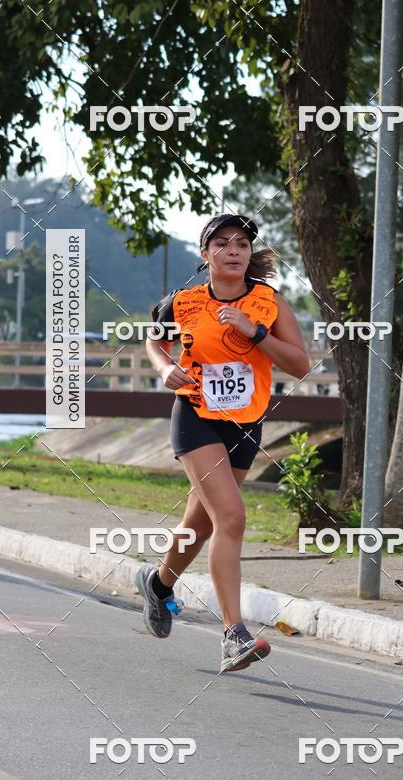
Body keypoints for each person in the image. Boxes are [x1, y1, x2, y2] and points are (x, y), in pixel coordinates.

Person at [137, 213, 310, 673]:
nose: (233, 250)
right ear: (206, 254)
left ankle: (158, 584)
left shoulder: (269, 304)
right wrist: (162, 367)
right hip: (194, 417)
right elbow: (154, 341)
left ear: (250, 255)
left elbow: (300, 364)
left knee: (204, 523)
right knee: (231, 517)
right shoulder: (184, 303)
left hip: (246, 423)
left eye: (242, 244)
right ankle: (234, 635)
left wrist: (253, 332)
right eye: (222, 243)